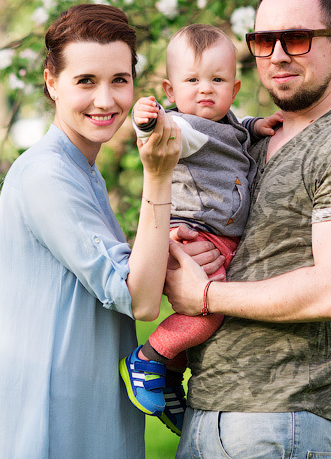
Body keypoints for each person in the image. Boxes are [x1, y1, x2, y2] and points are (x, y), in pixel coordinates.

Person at [164, 0, 331, 458]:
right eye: (263, 40)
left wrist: (206, 294)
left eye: (296, 38)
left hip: (278, 421)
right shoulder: (250, 140)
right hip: (211, 410)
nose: (276, 55)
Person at [0, 4, 224, 459]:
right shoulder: (46, 175)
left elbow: (116, 271)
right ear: (52, 82)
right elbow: (138, 299)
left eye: (119, 80)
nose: (106, 100)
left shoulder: (82, 171)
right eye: (86, 81)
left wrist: (171, 252)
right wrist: (158, 175)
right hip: (51, 432)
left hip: (88, 423)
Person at [120, 24, 280, 436]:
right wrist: (146, 120)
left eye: (217, 80)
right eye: (192, 81)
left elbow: (236, 130)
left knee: (204, 316)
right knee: (210, 314)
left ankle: (170, 379)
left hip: (217, 236)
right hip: (193, 233)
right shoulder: (185, 128)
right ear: (170, 90)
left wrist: (257, 126)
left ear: (234, 88)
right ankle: (149, 358)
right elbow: (162, 133)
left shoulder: (227, 122)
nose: (205, 89)